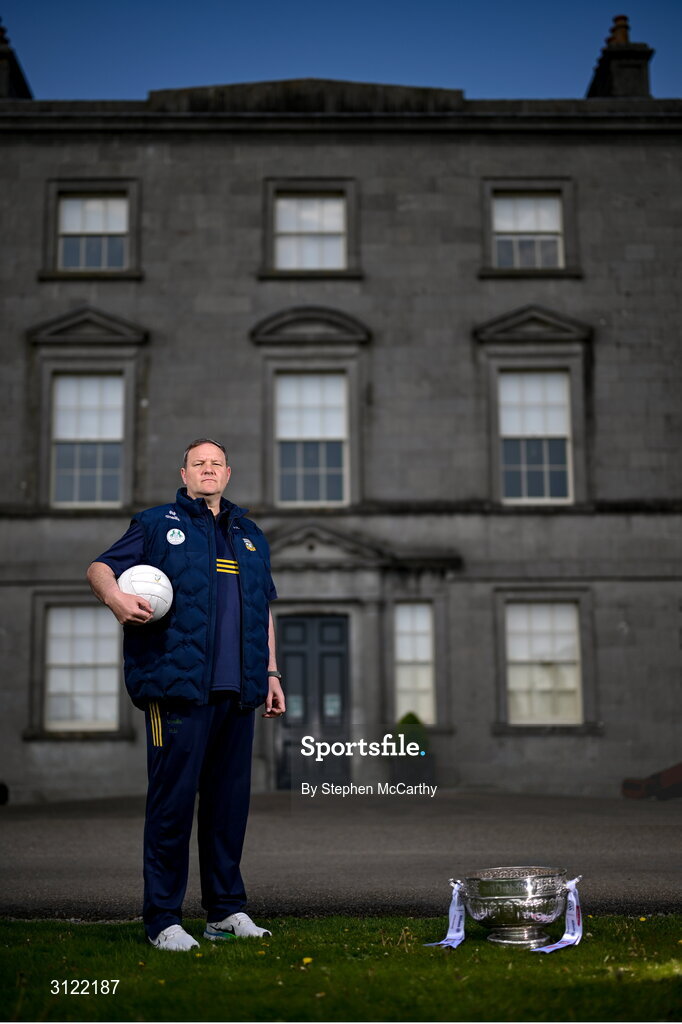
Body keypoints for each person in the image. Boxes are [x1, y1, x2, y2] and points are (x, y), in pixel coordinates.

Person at [87, 439, 285, 952]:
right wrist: (115, 599)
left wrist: (271, 673)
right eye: (200, 464)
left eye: (217, 464)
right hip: (175, 690)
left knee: (227, 809)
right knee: (172, 806)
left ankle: (225, 912)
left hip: (238, 691)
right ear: (185, 472)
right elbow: (100, 568)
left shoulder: (250, 535)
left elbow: (262, 608)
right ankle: (163, 920)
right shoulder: (156, 524)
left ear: (228, 474)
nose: (209, 470)